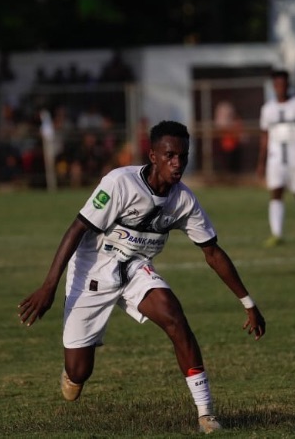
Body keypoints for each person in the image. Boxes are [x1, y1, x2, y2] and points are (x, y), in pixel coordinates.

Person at [17, 120, 266, 434]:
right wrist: (49, 286)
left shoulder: (184, 201)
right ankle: (72, 373)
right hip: (92, 270)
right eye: (170, 155)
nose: (177, 163)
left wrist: (247, 302)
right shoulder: (120, 183)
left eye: (183, 156)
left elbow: (212, 253)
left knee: (175, 317)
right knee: (77, 376)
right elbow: (78, 228)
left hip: (135, 268)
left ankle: (206, 414)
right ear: (153, 156)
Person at [257, 69, 295, 247]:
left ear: (288, 85)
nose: (280, 88)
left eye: (283, 84)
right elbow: (264, 137)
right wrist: (261, 162)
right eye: (277, 84)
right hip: (275, 159)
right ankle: (276, 234)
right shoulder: (267, 109)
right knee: (275, 193)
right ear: (273, 86)